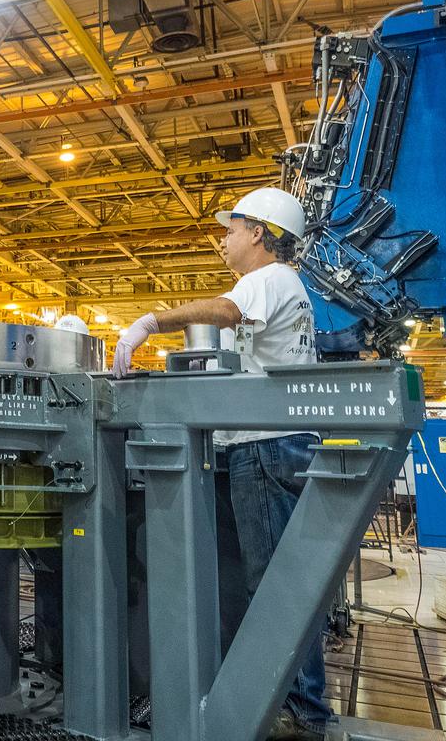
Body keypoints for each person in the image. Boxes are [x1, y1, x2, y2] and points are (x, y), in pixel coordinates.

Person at [111, 187, 328, 741]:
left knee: (272, 586)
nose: (223, 240)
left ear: (259, 233)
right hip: (261, 447)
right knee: (256, 583)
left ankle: (299, 712)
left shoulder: (268, 278)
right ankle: (267, 699)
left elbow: (227, 311)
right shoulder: (282, 287)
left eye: (231, 231)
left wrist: (149, 322)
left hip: (266, 447)